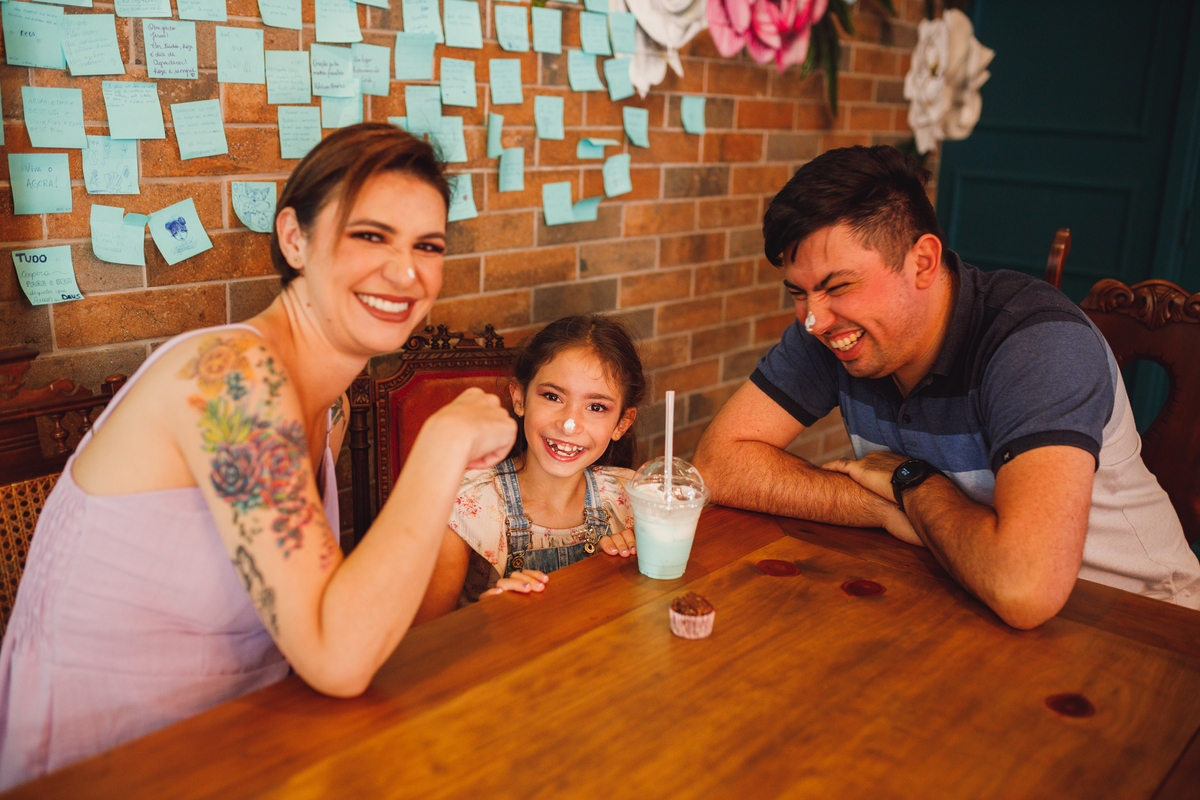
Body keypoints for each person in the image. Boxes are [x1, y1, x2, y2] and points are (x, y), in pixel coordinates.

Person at [0, 123, 517, 787]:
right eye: (370, 235)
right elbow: (338, 656)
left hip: (243, 746)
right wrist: (443, 442)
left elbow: (324, 620)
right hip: (99, 766)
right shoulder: (233, 377)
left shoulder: (329, 407)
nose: (407, 271)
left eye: (429, 245)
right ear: (295, 238)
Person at [692, 145, 1200, 630]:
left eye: (838, 286)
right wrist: (877, 502)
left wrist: (912, 479)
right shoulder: (836, 333)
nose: (813, 320)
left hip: (1137, 621)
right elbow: (718, 463)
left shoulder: (1036, 345)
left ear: (923, 262)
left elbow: (1024, 587)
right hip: (957, 595)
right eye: (799, 293)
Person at [415, 315, 644, 619]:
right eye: (552, 396)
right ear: (520, 399)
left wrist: (632, 565)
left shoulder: (632, 500)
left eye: (596, 407)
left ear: (622, 424)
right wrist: (489, 617)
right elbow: (425, 639)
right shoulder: (464, 504)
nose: (569, 424)